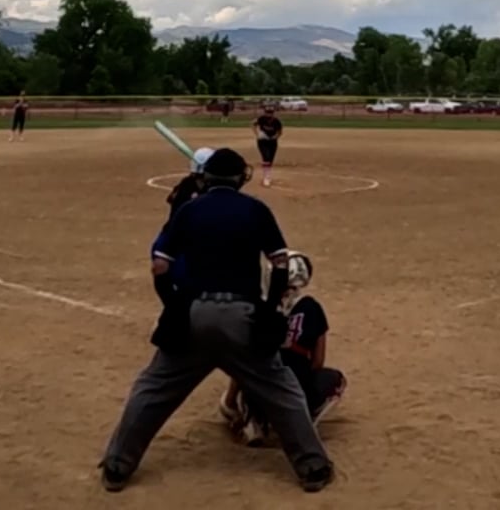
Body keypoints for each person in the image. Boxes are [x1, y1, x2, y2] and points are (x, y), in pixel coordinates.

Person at [99, 148, 333, 494]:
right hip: (243, 316)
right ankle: (312, 467)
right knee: (283, 390)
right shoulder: (255, 209)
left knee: (153, 389)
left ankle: (118, 465)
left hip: (194, 313)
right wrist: (269, 309)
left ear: (206, 177)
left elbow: (160, 265)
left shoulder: (189, 210)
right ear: (240, 178)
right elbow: (280, 263)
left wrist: (174, 306)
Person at [220, 250, 346, 446]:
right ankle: (304, 419)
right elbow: (317, 361)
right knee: (336, 379)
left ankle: (253, 419)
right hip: (295, 389)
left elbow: (244, 353)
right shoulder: (312, 307)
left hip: (260, 386)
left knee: (250, 366)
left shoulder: (258, 308)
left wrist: (230, 399)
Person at [253, 105, 285, 187]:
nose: (268, 114)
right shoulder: (261, 119)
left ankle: (267, 174)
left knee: (270, 160)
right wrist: (257, 134)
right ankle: (266, 178)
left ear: (273, 113)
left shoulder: (276, 121)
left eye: (270, 112)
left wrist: (276, 137)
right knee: (266, 157)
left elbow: (280, 132)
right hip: (262, 141)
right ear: (264, 112)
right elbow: (254, 124)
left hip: (272, 142)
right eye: (267, 112)